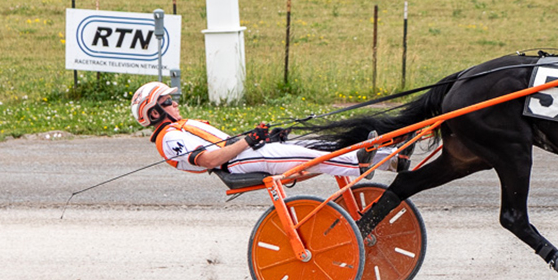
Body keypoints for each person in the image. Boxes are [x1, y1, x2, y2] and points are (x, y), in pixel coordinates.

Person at [130, 81, 404, 178]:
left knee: (315, 146)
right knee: (315, 158)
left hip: (247, 155)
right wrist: (251, 140)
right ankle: (366, 163)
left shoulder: (181, 127)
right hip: (239, 164)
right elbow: (211, 159)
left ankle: (392, 158)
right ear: (154, 113)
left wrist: (262, 138)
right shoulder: (169, 139)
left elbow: (225, 145)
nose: (175, 103)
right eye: (167, 101)